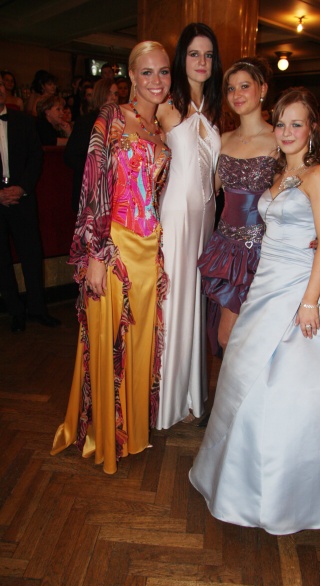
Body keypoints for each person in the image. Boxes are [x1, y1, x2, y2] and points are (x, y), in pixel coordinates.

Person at [189, 87, 320, 536]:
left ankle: (300, 490)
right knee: (244, 373)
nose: (286, 131)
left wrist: (309, 301)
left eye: (296, 124)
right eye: (281, 123)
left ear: (312, 130)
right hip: (266, 283)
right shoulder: (281, 172)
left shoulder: (318, 175)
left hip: (299, 290)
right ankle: (240, 477)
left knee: (293, 385)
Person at [50, 41, 171, 474]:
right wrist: (96, 253)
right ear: (131, 76)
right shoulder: (112, 117)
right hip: (114, 245)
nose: (156, 80)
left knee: (139, 343)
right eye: (147, 72)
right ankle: (105, 435)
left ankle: (133, 430)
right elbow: (94, 184)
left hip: (150, 249)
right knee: (107, 340)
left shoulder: (161, 127)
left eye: (163, 72)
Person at [155, 23, 222, 429]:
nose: (202, 62)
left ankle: (193, 392)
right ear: (182, 58)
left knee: (196, 301)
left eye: (208, 55)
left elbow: (217, 175)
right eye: (195, 54)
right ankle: (165, 399)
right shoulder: (165, 106)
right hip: (176, 216)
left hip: (206, 217)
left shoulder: (214, 109)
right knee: (174, 302)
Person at [198, 57, 278, 355]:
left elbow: (301, 190)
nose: (237, 94)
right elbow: (207, 190)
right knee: (226, 338)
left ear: (262, 89)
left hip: (263, 252)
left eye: (245, 86)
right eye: (231, 89)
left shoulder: (279, 139)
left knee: (250, 339)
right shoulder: (223, 139)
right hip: (226, 251)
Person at [0, 74, 60, 332]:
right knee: (2, 261)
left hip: (22, 198)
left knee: (32, 256)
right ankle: (15, 312)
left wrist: (22, 187)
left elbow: (36, 158)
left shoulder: (23, 122)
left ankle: (38, 309)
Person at [64, 79, 119, 212]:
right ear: (100, 94)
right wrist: (96, 169)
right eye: (109, 93)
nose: (113, 97)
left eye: (116, 94)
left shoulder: (120, 122)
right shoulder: (86, 122)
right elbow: (70, 156)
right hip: (90, 190)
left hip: (114, 190)